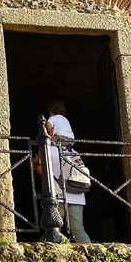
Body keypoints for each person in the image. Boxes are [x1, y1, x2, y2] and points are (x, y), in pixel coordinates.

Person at [42, 100, 91, 244]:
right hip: (77, 193)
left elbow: (41, 171)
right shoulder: (74, 153)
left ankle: (54, 252)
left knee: (53, 228)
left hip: (58, 194)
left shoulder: (50, 150)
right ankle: (90, 253)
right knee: (78, 228)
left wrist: (35, 161)